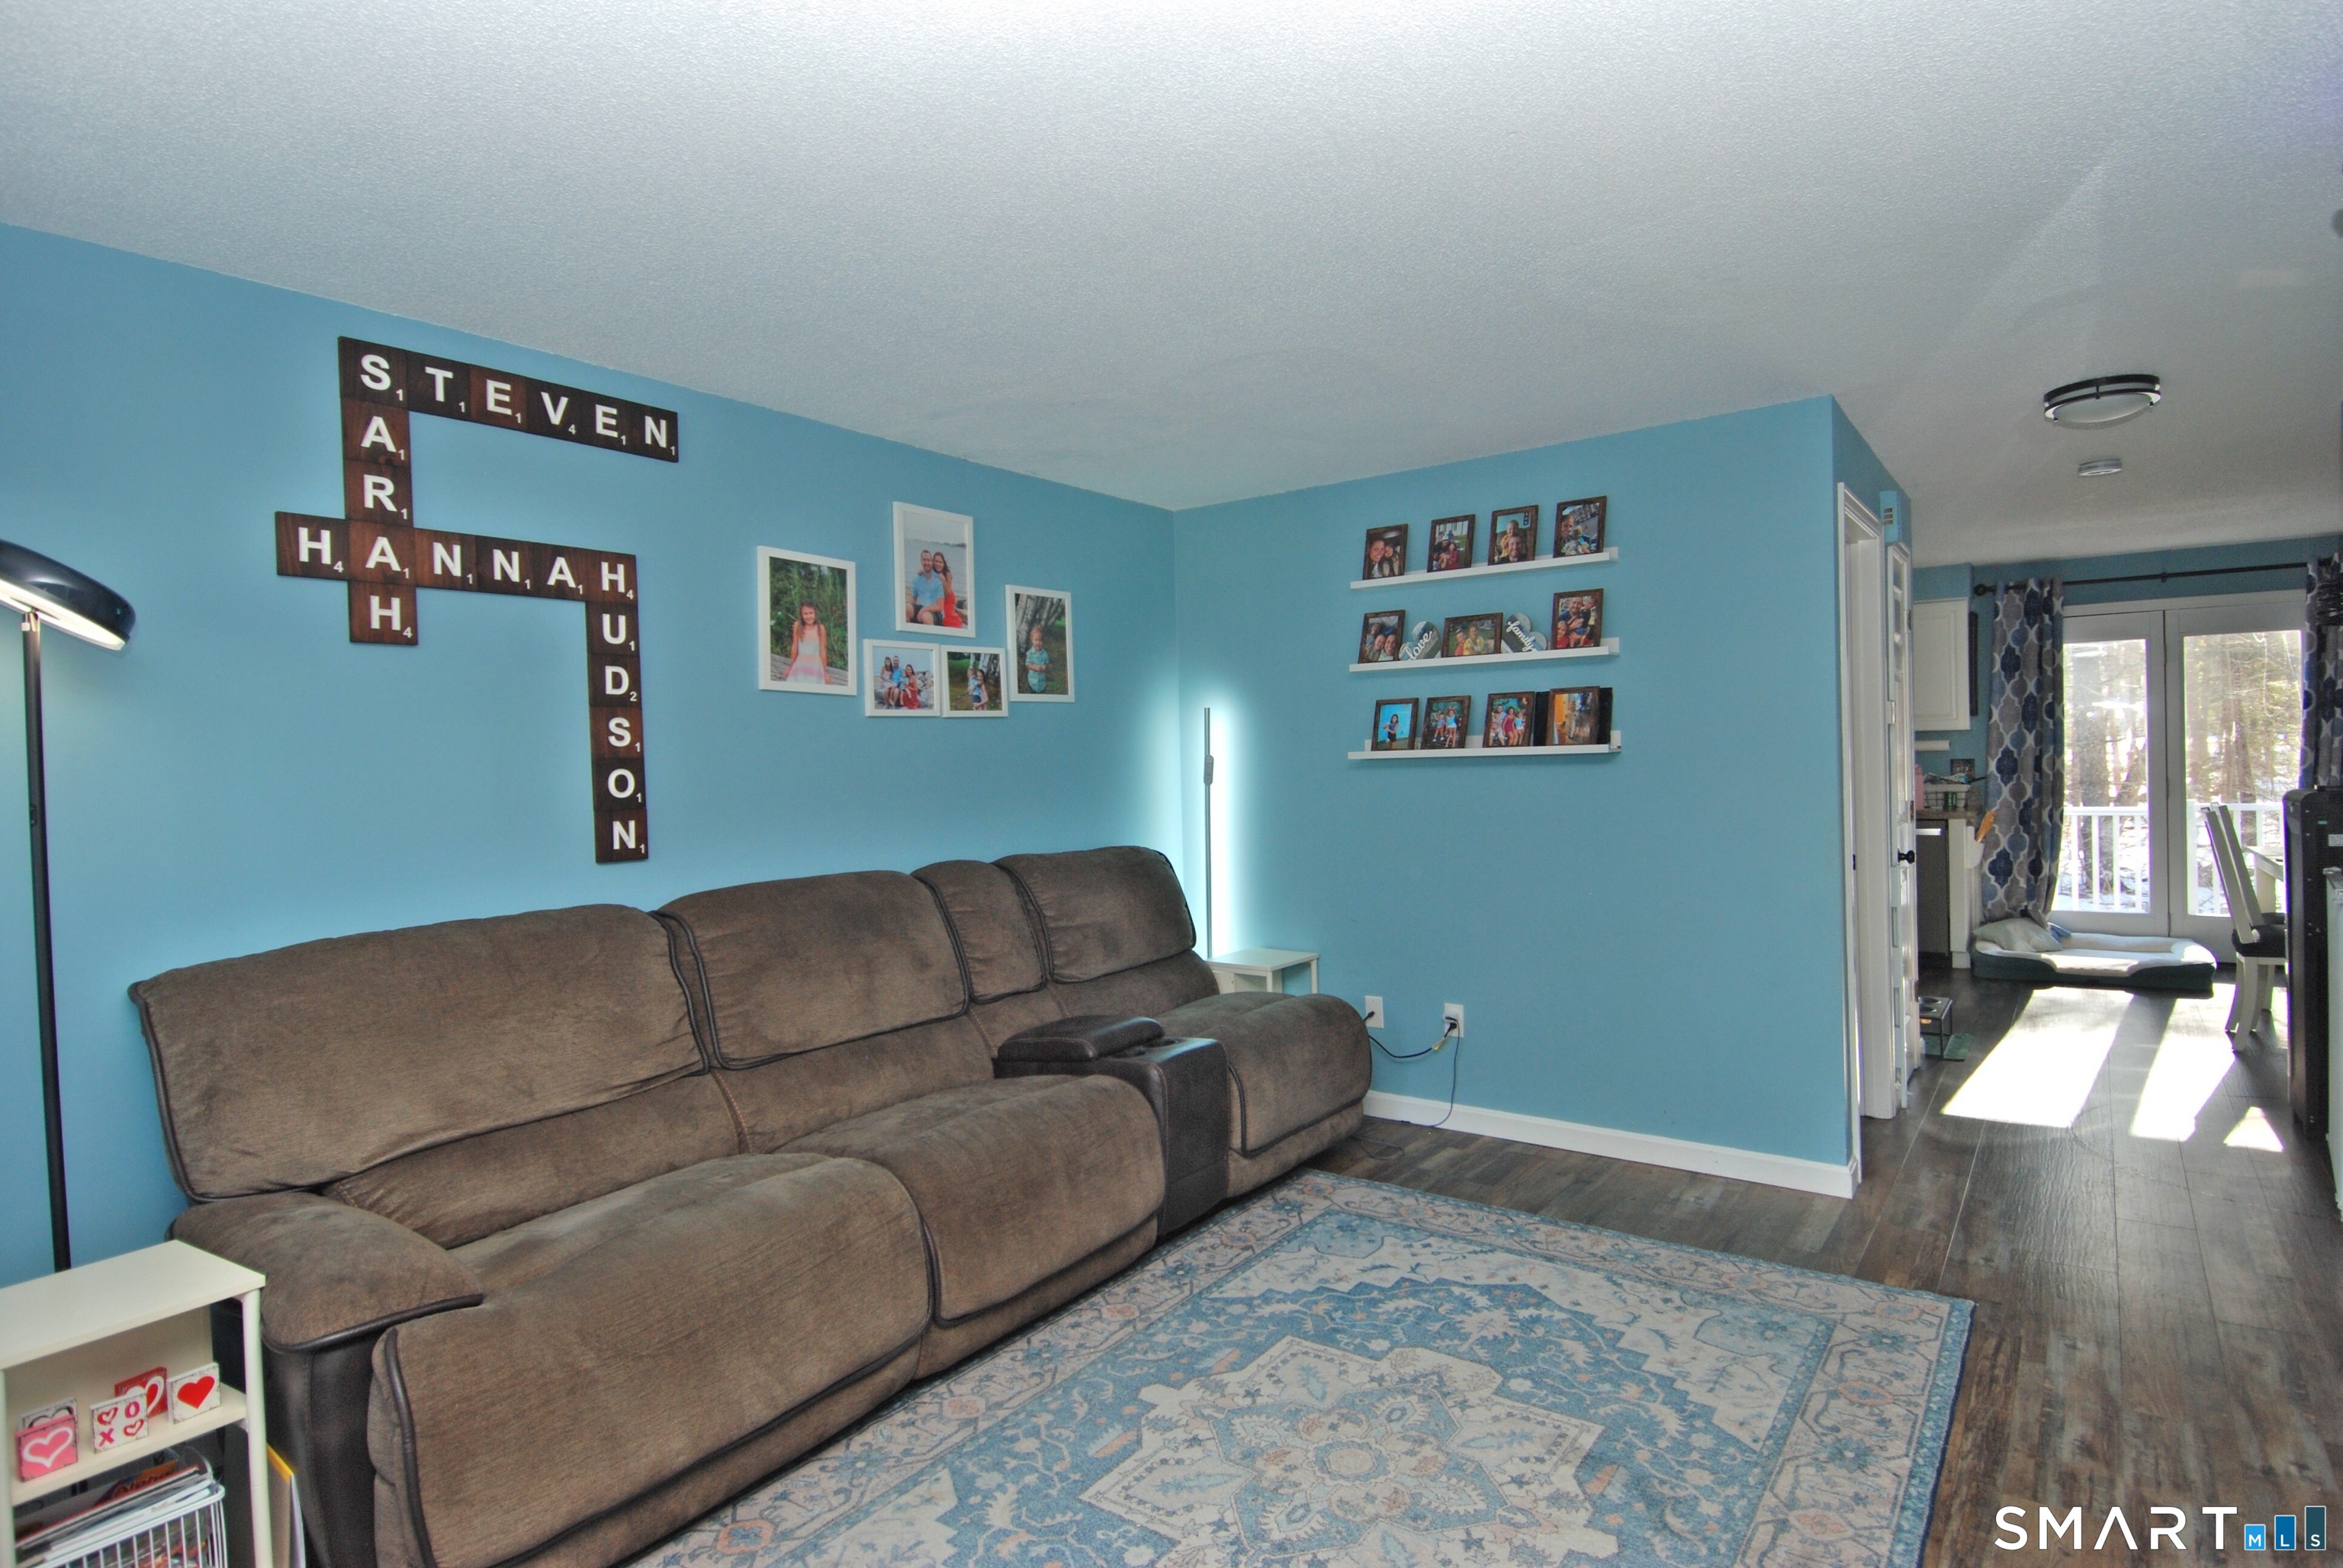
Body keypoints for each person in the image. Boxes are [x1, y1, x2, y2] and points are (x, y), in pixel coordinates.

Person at [782, 601, 828, 683]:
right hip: (800, 664)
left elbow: (822, 651)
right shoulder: (798, 626)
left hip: (815, 666)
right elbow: (795, 647)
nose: (809, 616)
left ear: (815, 614)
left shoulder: (820, 628)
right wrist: (791, 667)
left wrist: (825, 672)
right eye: (805, 614)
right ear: (801, 615)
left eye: (811, 613)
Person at [910, 551, 943, 625]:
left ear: (932, 562)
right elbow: (913, 599)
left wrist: (924, 610)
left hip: (935, 612)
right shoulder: (917, 579)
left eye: (929, 560)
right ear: (921, 561)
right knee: (906, 609)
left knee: (925, 616)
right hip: (921, 607)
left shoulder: (938, 579)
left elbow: (940, 606)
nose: (926, 563)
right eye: (924, 560)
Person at [1024, 622, 1052, 694]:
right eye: (1036, 640)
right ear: (1032, 640)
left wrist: (1044, 667)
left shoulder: (1044, 654)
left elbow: (1047, 663)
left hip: (1041, 681)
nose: (1038, 643)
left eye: (1040, 640)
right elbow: (1028, 665)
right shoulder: (1030, 653)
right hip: (1032, 681)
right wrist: (1035, 667)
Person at [938, 557, 963, 629]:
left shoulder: (947, 574)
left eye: (940, 562)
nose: (938, 564)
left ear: (944, 564)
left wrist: (943, 581)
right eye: (936, 562)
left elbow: (947, 594)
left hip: (948, 600)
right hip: (942, 605)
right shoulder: (933, 574)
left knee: (954, 619)